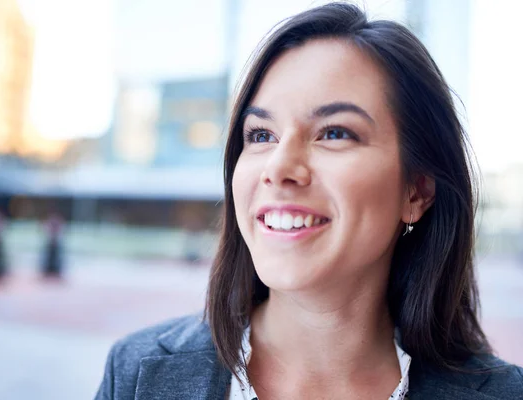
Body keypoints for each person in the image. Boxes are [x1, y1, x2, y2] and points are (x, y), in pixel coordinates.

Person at [94, 3, 523, 399]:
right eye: (261, 135)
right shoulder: (134, 373)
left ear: (417, 191)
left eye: (335, 132)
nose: (278, 168)